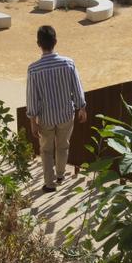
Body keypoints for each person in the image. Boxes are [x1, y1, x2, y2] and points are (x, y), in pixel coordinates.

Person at [26, 25, 87, 193]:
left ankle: (49, 184)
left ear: (39, 43)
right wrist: (81, 107)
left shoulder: (33, 69)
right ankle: (60, 175)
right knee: (63, 146)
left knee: (46, 150)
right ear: (55, 42)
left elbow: (32, 97)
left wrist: (33, 120)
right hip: (66, 114)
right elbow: (77, 87)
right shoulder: (68, 63)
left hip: (45, 118)